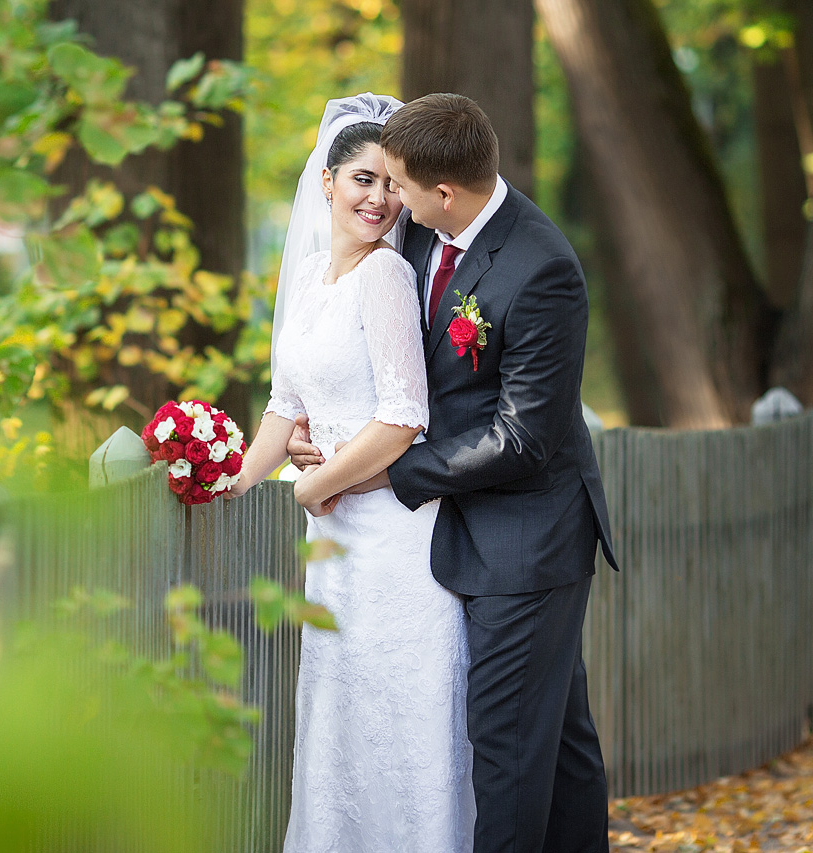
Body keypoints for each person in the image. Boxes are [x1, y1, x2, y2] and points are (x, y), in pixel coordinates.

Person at [288, 93, 620, 853]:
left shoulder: (542, 268)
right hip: (450, 530)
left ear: (444, 192)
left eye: (398, 185)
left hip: (526, 537)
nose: (386, 200)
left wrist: (384, 473)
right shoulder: (416, 238)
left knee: (503, 745)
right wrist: (331, 435)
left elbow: (523, 438)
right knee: (561, 742)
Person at [226, 93, 476, 852]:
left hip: (396, 537)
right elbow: (283, 406)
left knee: (402, 716)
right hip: (332, 546)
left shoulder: (385, 278)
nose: (379, 198)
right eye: (363, 180)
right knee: (341, 714)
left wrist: (315, 484)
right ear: (326, 182)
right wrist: (232, 482)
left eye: (391, 184)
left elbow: (404, 417)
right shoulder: (306, 278)